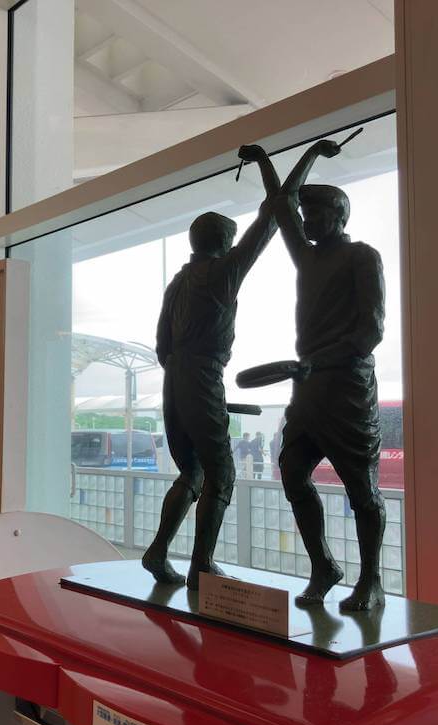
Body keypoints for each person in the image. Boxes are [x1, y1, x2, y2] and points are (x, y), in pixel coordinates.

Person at [142, 145, 281, 590]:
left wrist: (186, 378)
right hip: (201, 375)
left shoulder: (178, 282)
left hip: (175, 378)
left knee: (193, 472)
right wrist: (265, 163)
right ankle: (201, 564)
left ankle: (159, 551)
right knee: (221, 474)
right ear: (222, 243)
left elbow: (161, 346)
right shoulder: (222, 274)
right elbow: (271, 217)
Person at [274, 138, 387, 610]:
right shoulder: (308, 257)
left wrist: (320, 361)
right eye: (306, 215)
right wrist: (309, 155)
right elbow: (281, 203)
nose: (306, 221)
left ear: (338, 216)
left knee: (362, 488)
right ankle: (323, 565)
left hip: (347, 387)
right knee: (292, 472)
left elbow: (370, 331)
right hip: (309, 388)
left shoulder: (362, 256)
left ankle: (371, 580)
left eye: (315, 214)